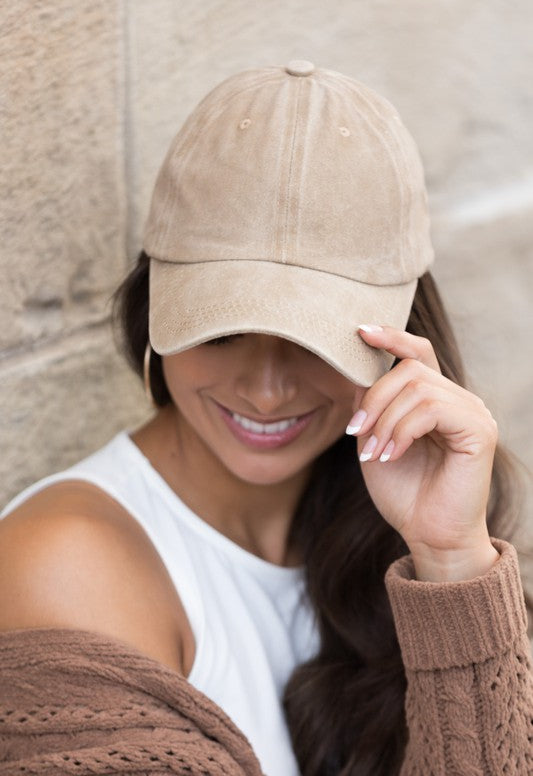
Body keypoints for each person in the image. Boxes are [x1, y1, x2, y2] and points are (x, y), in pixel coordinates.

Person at [0, 60, 532, 776]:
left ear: (401, 337)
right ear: (150, 311)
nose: (268, 389)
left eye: (317, 341)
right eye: (221, 332)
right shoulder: (64, 567)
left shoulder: (382, 532)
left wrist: (451, 562)